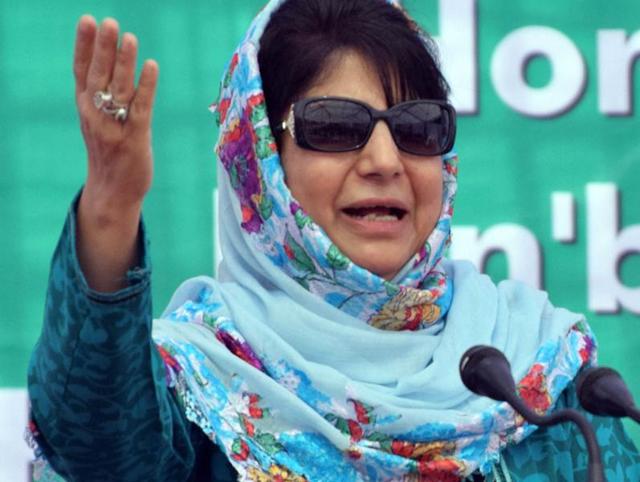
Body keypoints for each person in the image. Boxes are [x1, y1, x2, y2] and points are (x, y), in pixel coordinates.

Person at [27, 0, 640, 481]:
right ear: (260, 162)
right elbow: (97, 446)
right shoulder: (206, 385)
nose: (384, 159)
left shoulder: (542, 379)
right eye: (335, 127)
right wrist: (111, 205)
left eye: (417, 128)